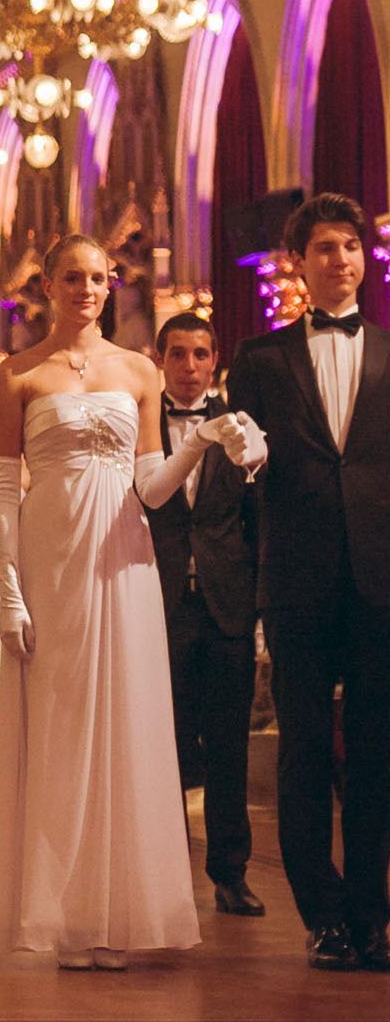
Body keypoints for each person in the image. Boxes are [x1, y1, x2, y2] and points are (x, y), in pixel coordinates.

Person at [0, 233, 231, 968]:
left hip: (123, 555)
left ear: (111, 283)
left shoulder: (138, 369)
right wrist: (8, 591)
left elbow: (150, 484)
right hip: (50, 556)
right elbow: (3, 489)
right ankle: (63, 911)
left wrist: (200, 444)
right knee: (60, 724)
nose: (85, 289)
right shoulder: (18, 372)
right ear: (47, 285)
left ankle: (114, 910)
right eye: (71, 277)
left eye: (97, 277)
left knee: (123, 720)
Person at [224, 193, 390, 971]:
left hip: (379, 579)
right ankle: (320, 913)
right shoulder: (257, 360)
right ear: (299, 261)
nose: (340, 259)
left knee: (374, 749)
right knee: (299, 753)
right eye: (324, 247)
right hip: (294, 579)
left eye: (350, 246)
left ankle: (370, 913)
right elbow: (243, 480)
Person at [144, 311, 266, 920]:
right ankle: (163, 875)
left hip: (226, 606)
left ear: (213, 360)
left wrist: (259, 608)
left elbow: (257, 522)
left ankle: (230, 874)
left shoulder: (243, 427)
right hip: (158, 605)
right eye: (177, 355)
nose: (189, 367)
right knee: (160, 744)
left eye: (199, 354)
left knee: (227, 748)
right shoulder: (141, 423)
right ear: (159, 359)